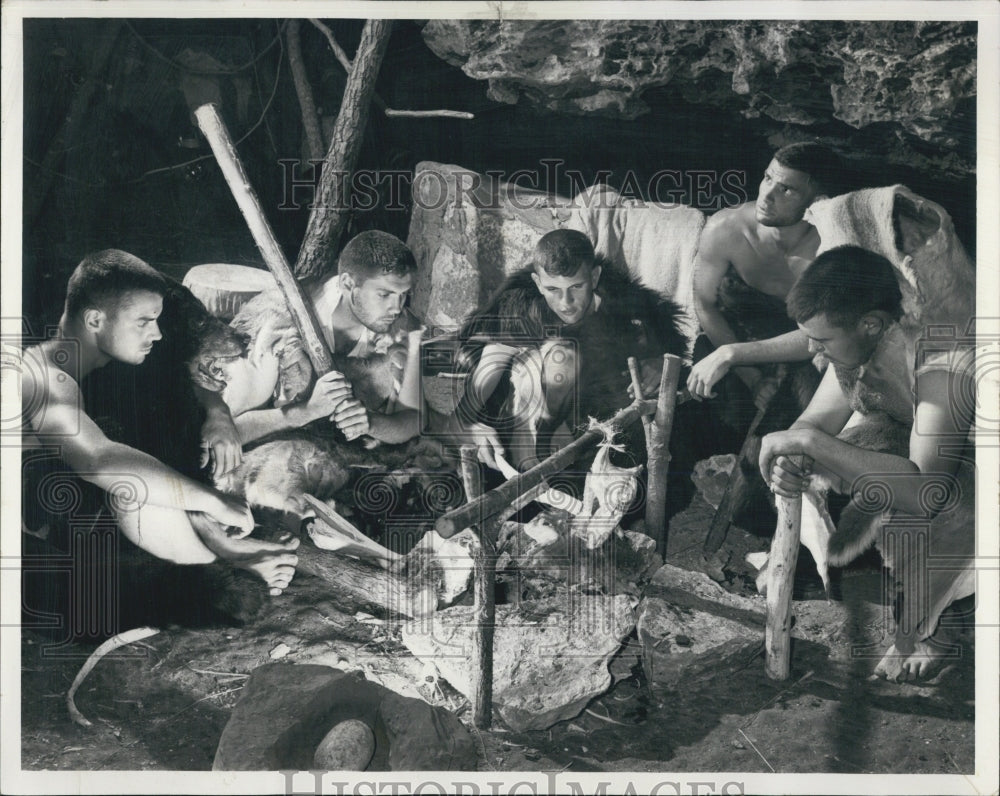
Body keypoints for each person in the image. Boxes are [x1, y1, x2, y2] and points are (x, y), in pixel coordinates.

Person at [20, 250, 299, 595]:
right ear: (95, 320)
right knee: (131, 486)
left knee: (144, 446)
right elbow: (98, 461)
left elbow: (176, 374)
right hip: (39, 521)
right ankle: (220, 570)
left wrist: (218, 412)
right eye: (144, 322)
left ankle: (216, 550)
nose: (157, 333)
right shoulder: (44, 376)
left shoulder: (98, 351)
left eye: (157, 320)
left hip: (73, 499)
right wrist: (213, 502)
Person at [758, 245, 975, 680]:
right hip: (929, 449)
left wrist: (808, 441)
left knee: (929, 503)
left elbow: (924, 492)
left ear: (871, 323)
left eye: (823, 341)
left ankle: (944, 627)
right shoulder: (866, 345)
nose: (815, 355)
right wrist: (792, 456)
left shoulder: (938, 363)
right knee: (834, 457)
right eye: (810, 340)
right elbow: (810, 425)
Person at [451, 228, 687, 470]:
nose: (565, 303)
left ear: (594, 278)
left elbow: (670, 339)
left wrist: (662, 361)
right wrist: (469, 424)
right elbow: (477, 388)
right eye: (553, 290)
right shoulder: (520, 310)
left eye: (576, 287)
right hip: (523, 404)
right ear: (538, 283)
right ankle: (530, 463)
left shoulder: (622, 301)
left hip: (583, 407)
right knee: (562, 358)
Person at [218, 230, 424, 446]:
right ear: (347, 284)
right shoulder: (281, 325)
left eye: (404, 295)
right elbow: (226, 434)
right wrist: (307, 412)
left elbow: (412, 419)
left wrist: (371, 423)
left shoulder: (403, 330)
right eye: (384, 294)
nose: (397, 308)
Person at [686, 142, 842, 420]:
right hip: (729, 342)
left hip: (800, 355)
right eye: (768, 178)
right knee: (698, 407)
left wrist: (735, 355)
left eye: (786, 189)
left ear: (816, 203)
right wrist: (750, 375)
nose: (766, 196)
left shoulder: (831, 250)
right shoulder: (725, 229)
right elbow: (704, 303)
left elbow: (823, 333)